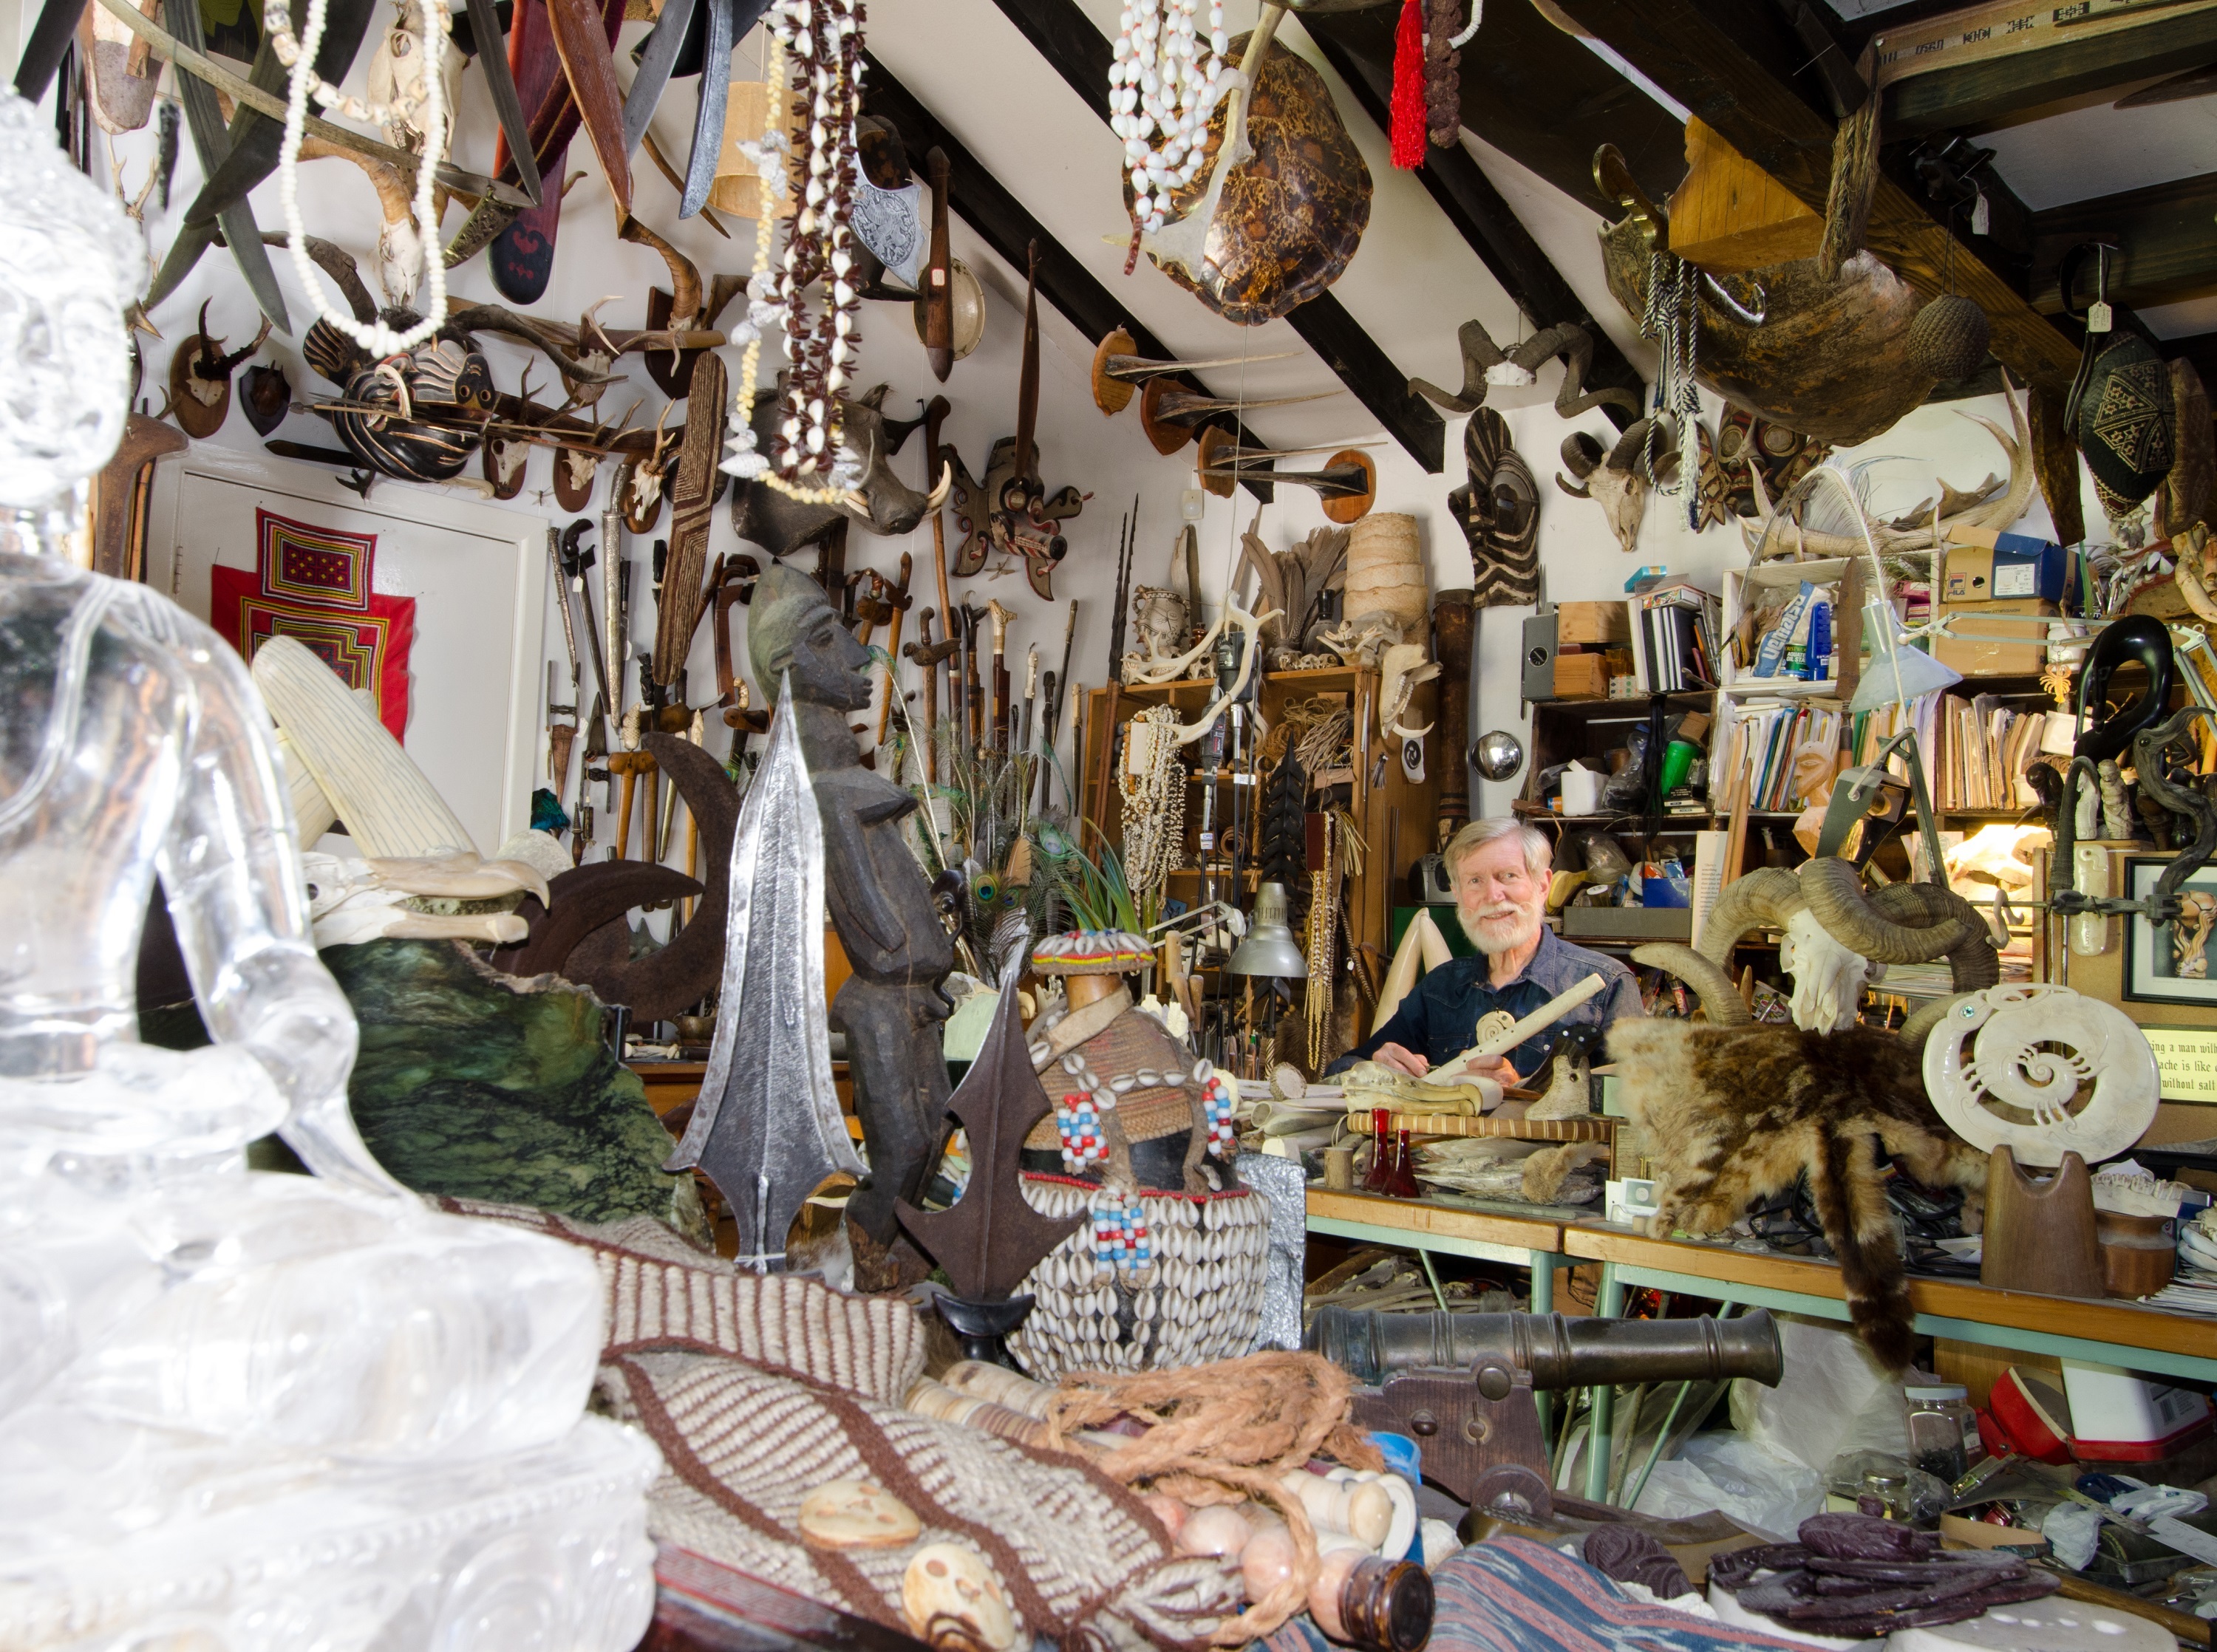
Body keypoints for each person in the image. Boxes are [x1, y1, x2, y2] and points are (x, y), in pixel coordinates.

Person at [1331, 817, 1643, 1088]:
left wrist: (1524, 1090)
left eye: (1508, 876)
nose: (1493, 896)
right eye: (1475, 881)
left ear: (1542, 885)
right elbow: (1340, 1071)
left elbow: (1639, 1101)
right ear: (1458, 895)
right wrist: (1372, 1067)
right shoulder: (1439, 989)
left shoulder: (1606, 984)